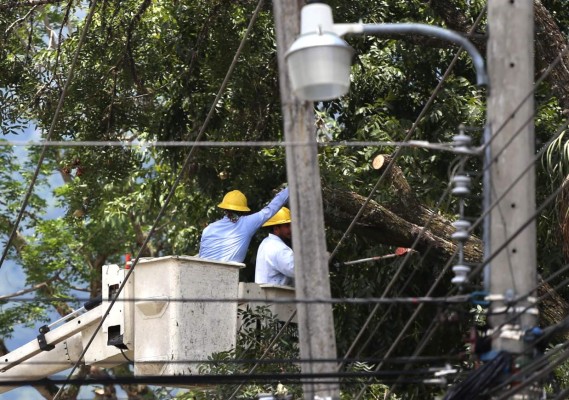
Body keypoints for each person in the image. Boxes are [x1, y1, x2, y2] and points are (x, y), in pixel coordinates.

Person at [199, 187, 289, 263]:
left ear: (224, 209)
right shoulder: (246, 224)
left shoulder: (208, 229)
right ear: (243, 211)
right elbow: (270, 209)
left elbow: (201, 255)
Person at [255, 207, 294, 286]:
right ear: (276, 229)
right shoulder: (279, 249)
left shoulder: (266, 242)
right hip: (276, 295)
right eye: (287, 226)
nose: (291, 229)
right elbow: (299, 270)